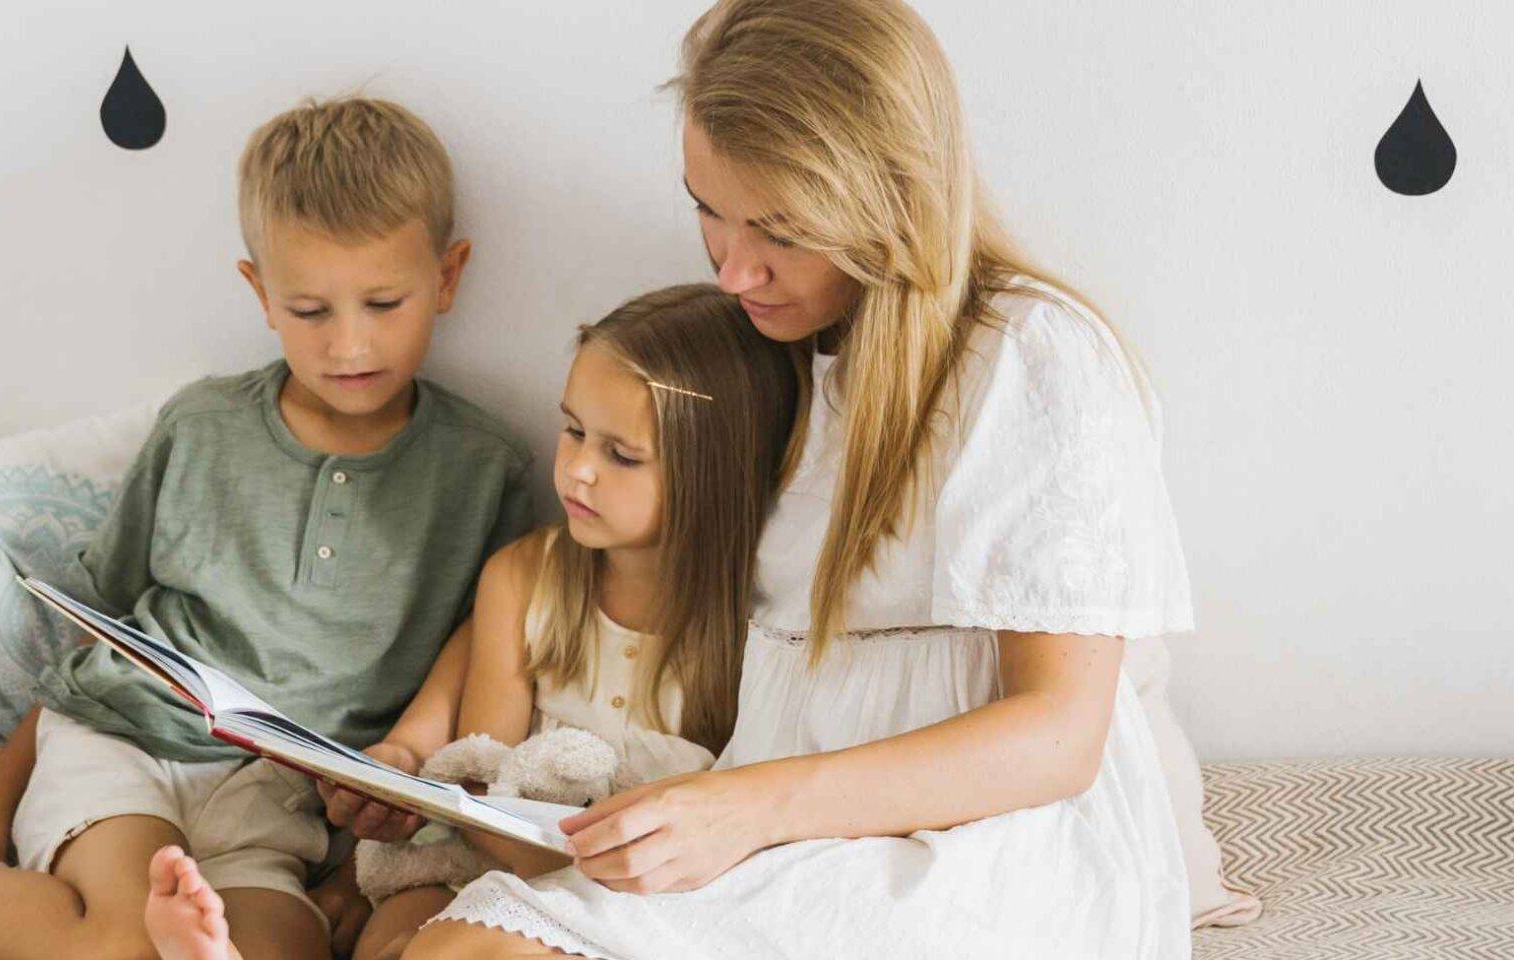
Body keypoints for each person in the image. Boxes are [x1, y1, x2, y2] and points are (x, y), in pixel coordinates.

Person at [408, 1, 1196, 957]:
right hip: (775, 824)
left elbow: (1058, 736)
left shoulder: (1031, 357)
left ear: (892, 196)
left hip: (977, 852)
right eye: (708, 209)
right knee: (457, 943)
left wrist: (745, 807)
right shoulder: (797, 357)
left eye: (781, 229)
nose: (736, 272)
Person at [0, 94, 535, 960]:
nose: (348, 345)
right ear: (259, 293)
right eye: (310, 311)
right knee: (124, 941)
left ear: (447, 278)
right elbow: (98, 629)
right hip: (124, 744)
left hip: (277, 806)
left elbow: (478, 677)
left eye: (383, 303)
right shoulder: (200, 429)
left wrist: (352, 874)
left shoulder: (487, 471)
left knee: (280, 949)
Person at [145, 284, 803, 960]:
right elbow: (485, 793)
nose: (576, 470)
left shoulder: (758, 625)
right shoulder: (523, 579)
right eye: (573, 430)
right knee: (400, 938)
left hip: (638, 891)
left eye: (621, 455)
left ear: (715, 473)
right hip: (488, 857)